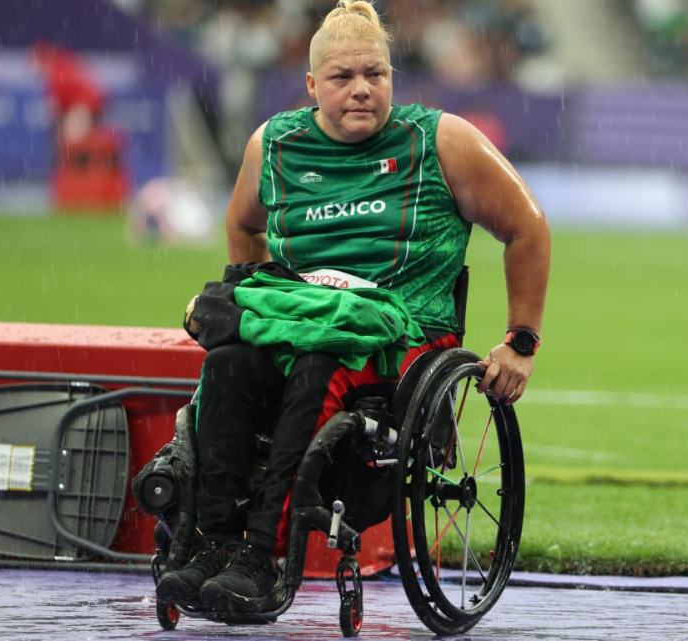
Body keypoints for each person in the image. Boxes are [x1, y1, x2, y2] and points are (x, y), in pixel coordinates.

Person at [155, 0, 550, 615]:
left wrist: (520, 342)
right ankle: (212, 544)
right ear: (312, 85)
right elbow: (241, 227)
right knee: (228, 362)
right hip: (303, 326)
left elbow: (528, 228)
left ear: (394, 75)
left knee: (320, 364)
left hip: (403, 339)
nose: (362, 90)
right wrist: (270, 296)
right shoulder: (275, 144)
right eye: (343, 78)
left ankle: (263, 558)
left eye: (376, 75)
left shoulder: (441, 140)